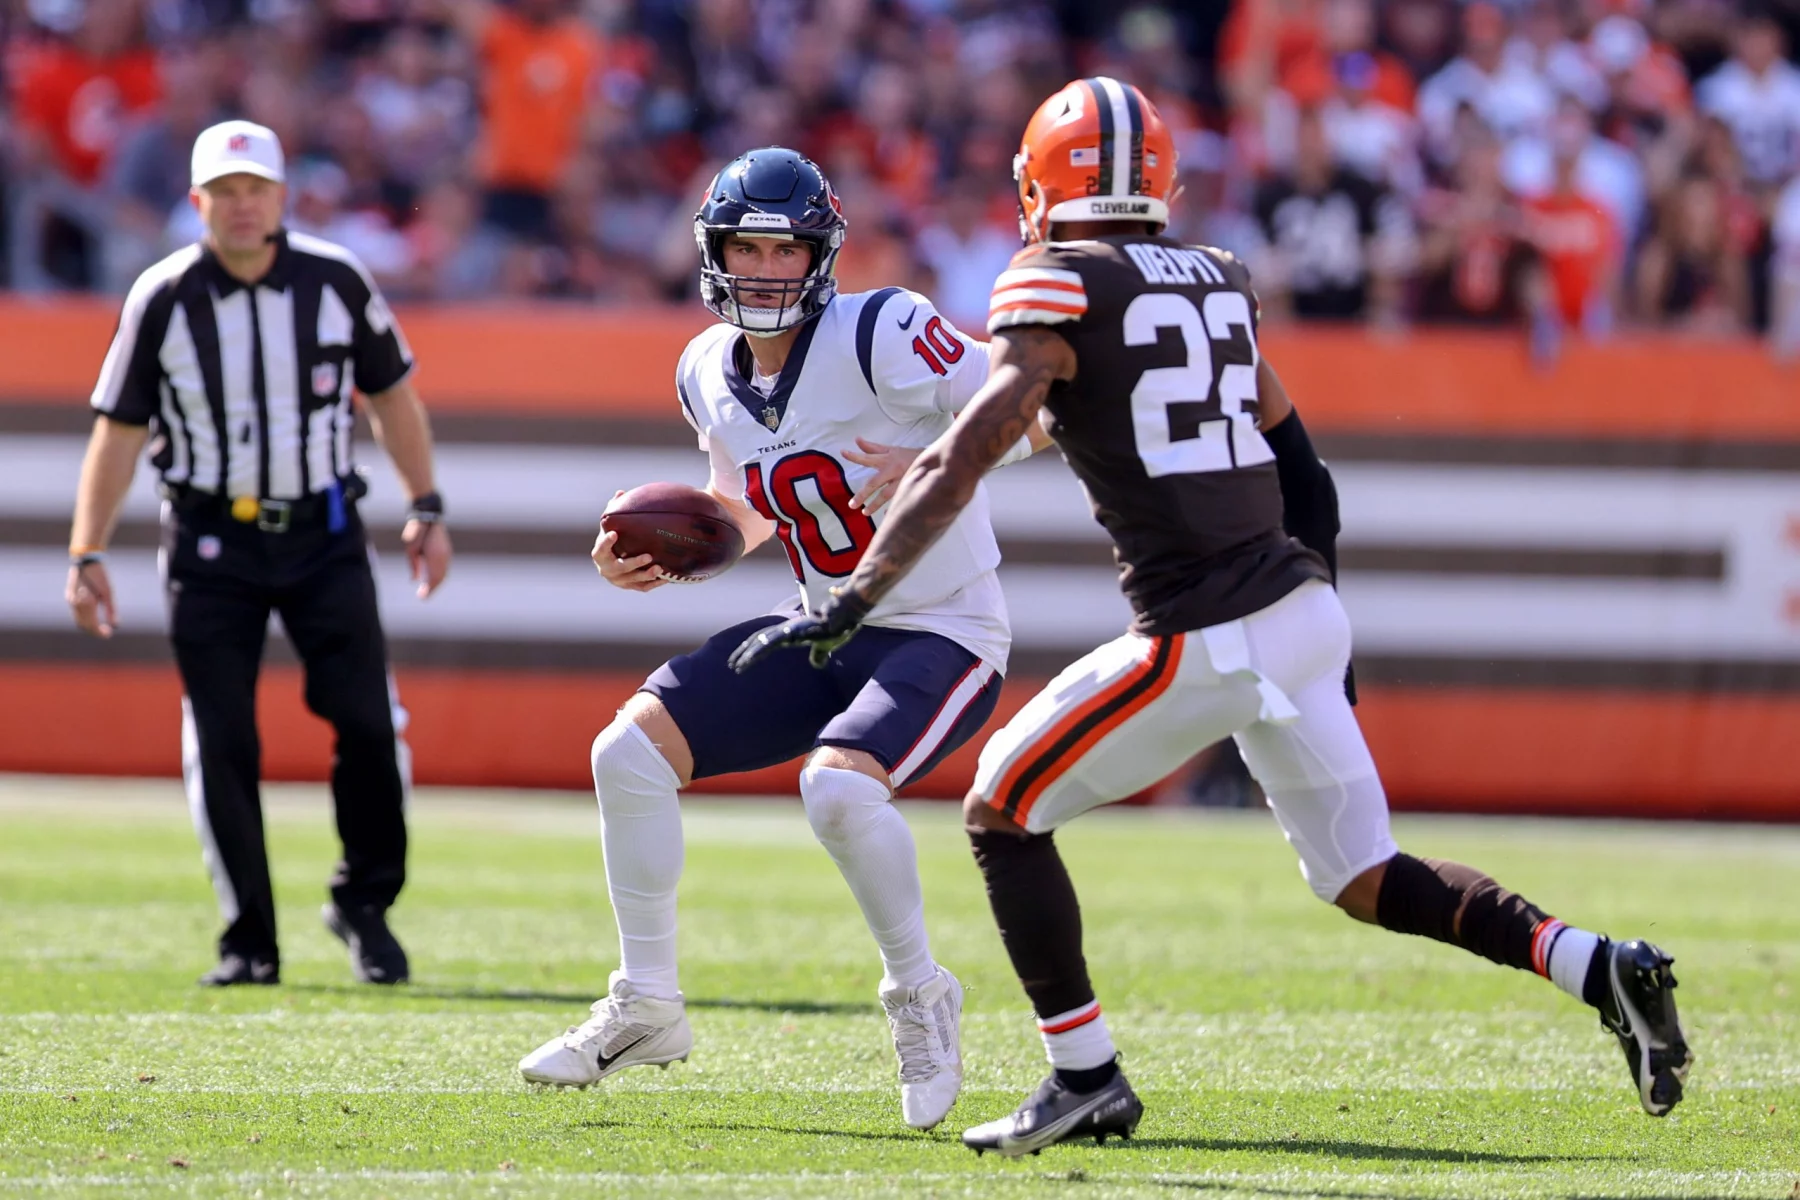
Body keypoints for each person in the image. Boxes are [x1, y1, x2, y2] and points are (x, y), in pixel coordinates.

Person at [734, 78, 1694, 1156]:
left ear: (1047, 182)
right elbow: (1306, 472)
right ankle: (1600, 963)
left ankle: (1084, 1076)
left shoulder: (1052, 279)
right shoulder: (1219, 281)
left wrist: (859, 596)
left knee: (1002, 807)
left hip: (1205, 628)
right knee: (1365, 876)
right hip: (1298, 607)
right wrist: (1322, 609)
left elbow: (967, 453)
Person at [515, 147, 1050, 1131]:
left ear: (820, 255)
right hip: (824, 621)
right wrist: (655, 555)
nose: (763, 268)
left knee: (838, 788)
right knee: (626, 754)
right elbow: (747, 509)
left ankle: (920, 994)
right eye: (745, 247)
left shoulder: (885, 330)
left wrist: (946, 458)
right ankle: (647, 1004)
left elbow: (1039, 411)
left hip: (944, 626)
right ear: (713, 251)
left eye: (783, 248)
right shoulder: (703, 371)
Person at [65, 121, 453, 988]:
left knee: (365, 722)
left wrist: (425, 504)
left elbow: (392, 399)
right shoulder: (161, 296)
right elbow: (119, 431)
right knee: (224, 737)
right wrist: (86, 550)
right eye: (224, 193)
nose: (242, 207)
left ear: (282, 198)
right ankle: (249, 938)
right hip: (208, 540)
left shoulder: (336, 280)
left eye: (256, 191)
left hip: (322, 532)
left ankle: (364, 901)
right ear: (197, 202)